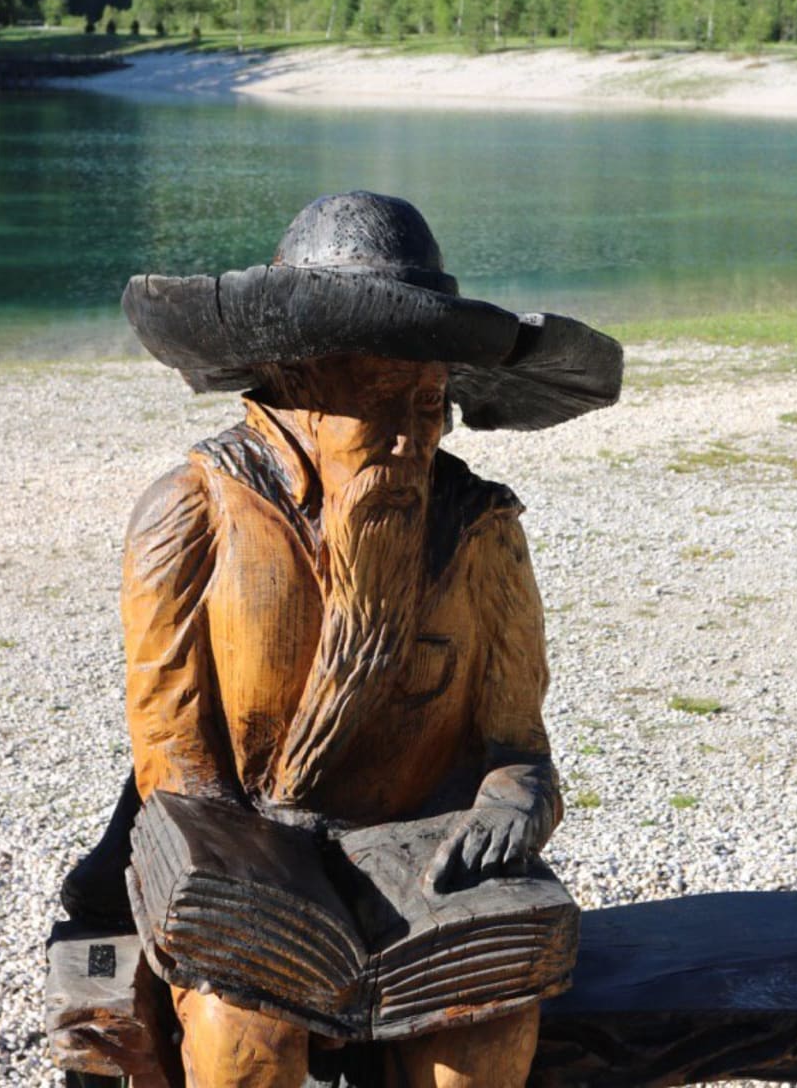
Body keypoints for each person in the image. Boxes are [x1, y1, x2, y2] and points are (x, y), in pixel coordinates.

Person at [63, 191, 622, 1088]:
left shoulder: (481, 532)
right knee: (245, 1047)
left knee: (480, 1050)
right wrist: (256, 889)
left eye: (429, 403)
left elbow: (518, 749)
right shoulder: (194, 512)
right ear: (299, 395)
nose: (411, 440)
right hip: (248, 870)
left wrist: (513, 806)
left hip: (425, 881)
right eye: (379, 403)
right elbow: (175, 771)